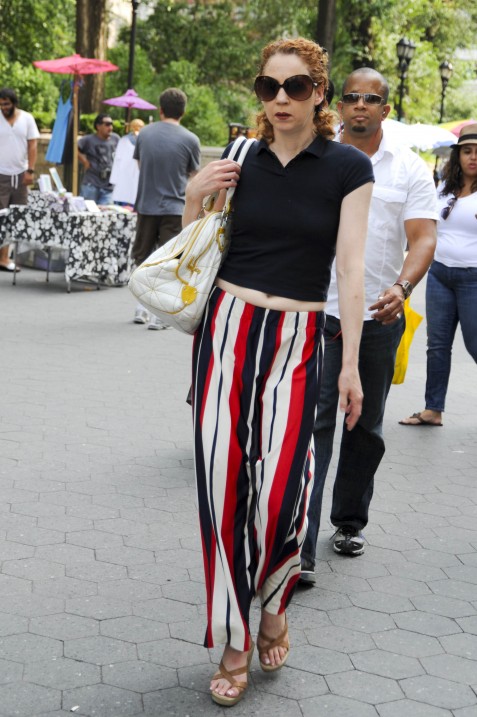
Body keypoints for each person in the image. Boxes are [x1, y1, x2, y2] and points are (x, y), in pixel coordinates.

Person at [183, 38, 374, 706]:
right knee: (222, 486)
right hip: (226, 332)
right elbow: (197, 245)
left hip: (298, 337)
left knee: (282, 491)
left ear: (319, 92)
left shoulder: (347, 167)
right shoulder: (239, 157)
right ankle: (235, 639)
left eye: (295, 88)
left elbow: (348, 271)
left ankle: (275, 600)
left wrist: (348, 364)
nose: (281, 101)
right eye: (269, 88)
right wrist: (191, 195)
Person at [299, 68, 437, 583]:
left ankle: (349, 522)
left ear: (385, 107)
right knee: (313, 427)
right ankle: (300, 547)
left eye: (370, 99)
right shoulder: (314, 154)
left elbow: (422, 238)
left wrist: (401, 290)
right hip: (314, 313)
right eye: (351, 97)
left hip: (378, 319)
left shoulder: (408, 168)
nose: (359, 106)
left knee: (365, 427)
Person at [400, 124, 477, 427]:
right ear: (458, 155)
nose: (473, 158)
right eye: (467, 151)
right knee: (437, 344)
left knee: (474, 344)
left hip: (473, 278)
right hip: (440, 275)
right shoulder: (444, 187)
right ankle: (433, 409)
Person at [131, 88, 200, 329]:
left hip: (146, 203)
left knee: (143, 255)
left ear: (160, 110)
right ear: (183, 111)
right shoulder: (191, 139)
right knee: (170, 261)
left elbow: (140, 165)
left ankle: (141, 307)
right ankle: (161, 314)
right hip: (174, 206)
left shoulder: (144, 134)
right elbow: (193, 175)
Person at [0, 87, 40, 272]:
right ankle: (3, 257)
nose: (3, 107)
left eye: (6, 104)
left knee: (17, 216)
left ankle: (9, 256)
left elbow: (32, 145)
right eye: (0, 104)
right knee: (2, 215)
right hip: (1, 174)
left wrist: (30, 170)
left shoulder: (27, 118)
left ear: (14, 103)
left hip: (21, 173)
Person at [77, 113, 119, 205]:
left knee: (107, 216)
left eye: (111, 124)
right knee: (87, 214)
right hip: (91, 184)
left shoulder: (116, 139)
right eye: (107, 124)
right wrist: (84, 161)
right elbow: (74, 148)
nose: (110, 127)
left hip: (108, 186)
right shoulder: (88, 140)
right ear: (98, 126)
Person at [110, 118, 145, 206]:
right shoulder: (124, 141)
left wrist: (114, 180)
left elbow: (117, 161)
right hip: (125, 179)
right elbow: (117, 160)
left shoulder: (125, 140)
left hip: (131, 179)